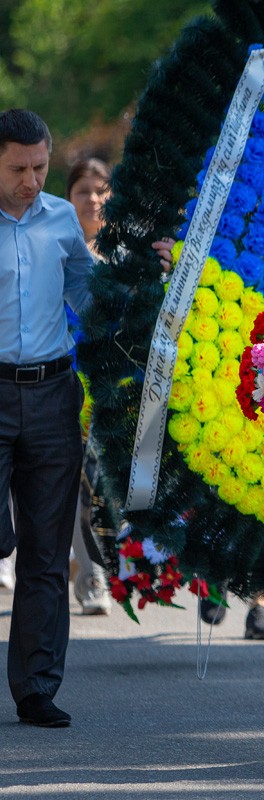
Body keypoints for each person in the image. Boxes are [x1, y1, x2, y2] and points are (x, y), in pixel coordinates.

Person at [0, 109, 93, 727]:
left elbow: (88, 292)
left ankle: (35, 687)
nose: (31, 181)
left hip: (54, 395)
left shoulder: (62, 219)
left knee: (45, 552)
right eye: (17, 170)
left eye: (39, 167)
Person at [64, 157, 114, 616]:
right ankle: (86, 571)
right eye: (84, 191)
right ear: (69, 198)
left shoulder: (122, 255)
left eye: (102, 190)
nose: (94, 200)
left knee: (94, 483)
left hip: (105, 386)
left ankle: (94, 574)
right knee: (71, 483)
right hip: (59, 382)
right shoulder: (55, 247)